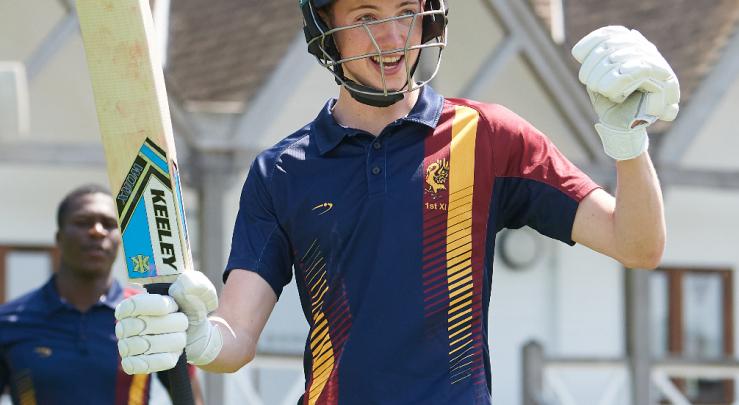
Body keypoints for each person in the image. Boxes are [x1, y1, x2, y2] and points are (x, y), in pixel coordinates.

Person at [113, 0, 680, 404]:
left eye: (406, 11)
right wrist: (198, 337)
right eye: (364, 18)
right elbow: (235, 336)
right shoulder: (281, 171)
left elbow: (638, 244)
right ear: (325, 30)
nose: (391, 39)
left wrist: (628, 142)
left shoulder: (489, 136)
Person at [0, 185, 202, 405]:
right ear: (59, 237)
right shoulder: (9, 322)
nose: (97, 231)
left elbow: (191, 400)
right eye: (83, 222)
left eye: (109, 224)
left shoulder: (149, 317)